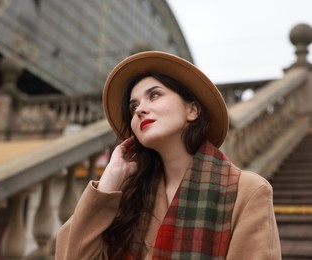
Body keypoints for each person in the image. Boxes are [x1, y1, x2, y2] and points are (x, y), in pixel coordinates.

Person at [56, 51, 281, 259]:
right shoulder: (129, 195)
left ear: (192, 110)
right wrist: (109, 182)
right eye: (133, 107)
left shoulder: (248, 192)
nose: (140, 110)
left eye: (154, 95)